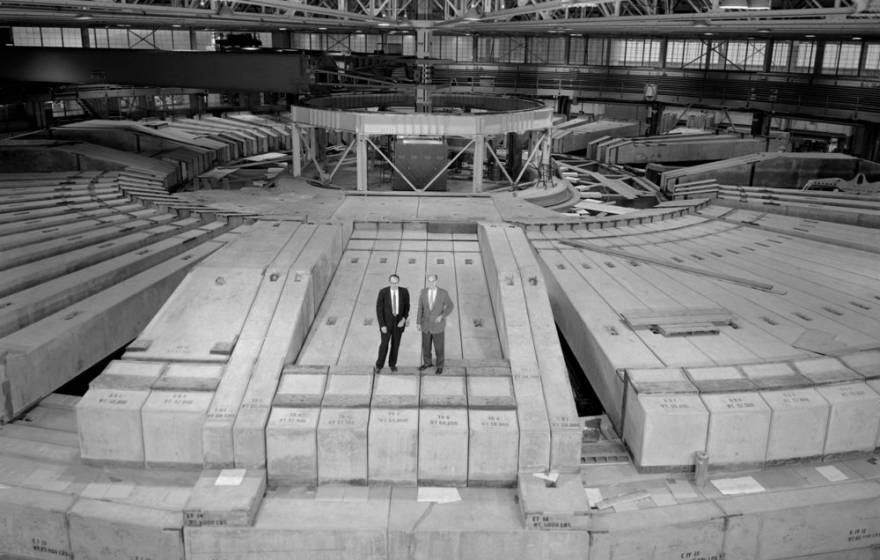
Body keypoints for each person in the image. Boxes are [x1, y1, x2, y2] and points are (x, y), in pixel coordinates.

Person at [417, 274, 454, 375]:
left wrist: (442, 316)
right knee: (426, 347)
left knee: (439, 348)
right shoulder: (423, 292)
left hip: (438, 326)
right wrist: (418, 323)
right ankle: (427, 363)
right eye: (429, 281)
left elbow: (450, 306)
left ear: (436, 281)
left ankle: (440, 366)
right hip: (425, 325)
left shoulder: (443, 293)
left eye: (433, 281)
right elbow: (420, 308)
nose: (431, 283)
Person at [374, 273, 409, 373]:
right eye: (392, 282)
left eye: (396, 282)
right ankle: (379, 365)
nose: (394, 284)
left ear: (398, 282)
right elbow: (379, 309)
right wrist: (382, 325)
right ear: (389, 282)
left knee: (395, 344)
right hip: (386, 324)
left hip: (398, 324)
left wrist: (403, 319)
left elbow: (407, 307)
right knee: (384, 345)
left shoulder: (404, 292)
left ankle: (392, 364)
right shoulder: (383, 292)